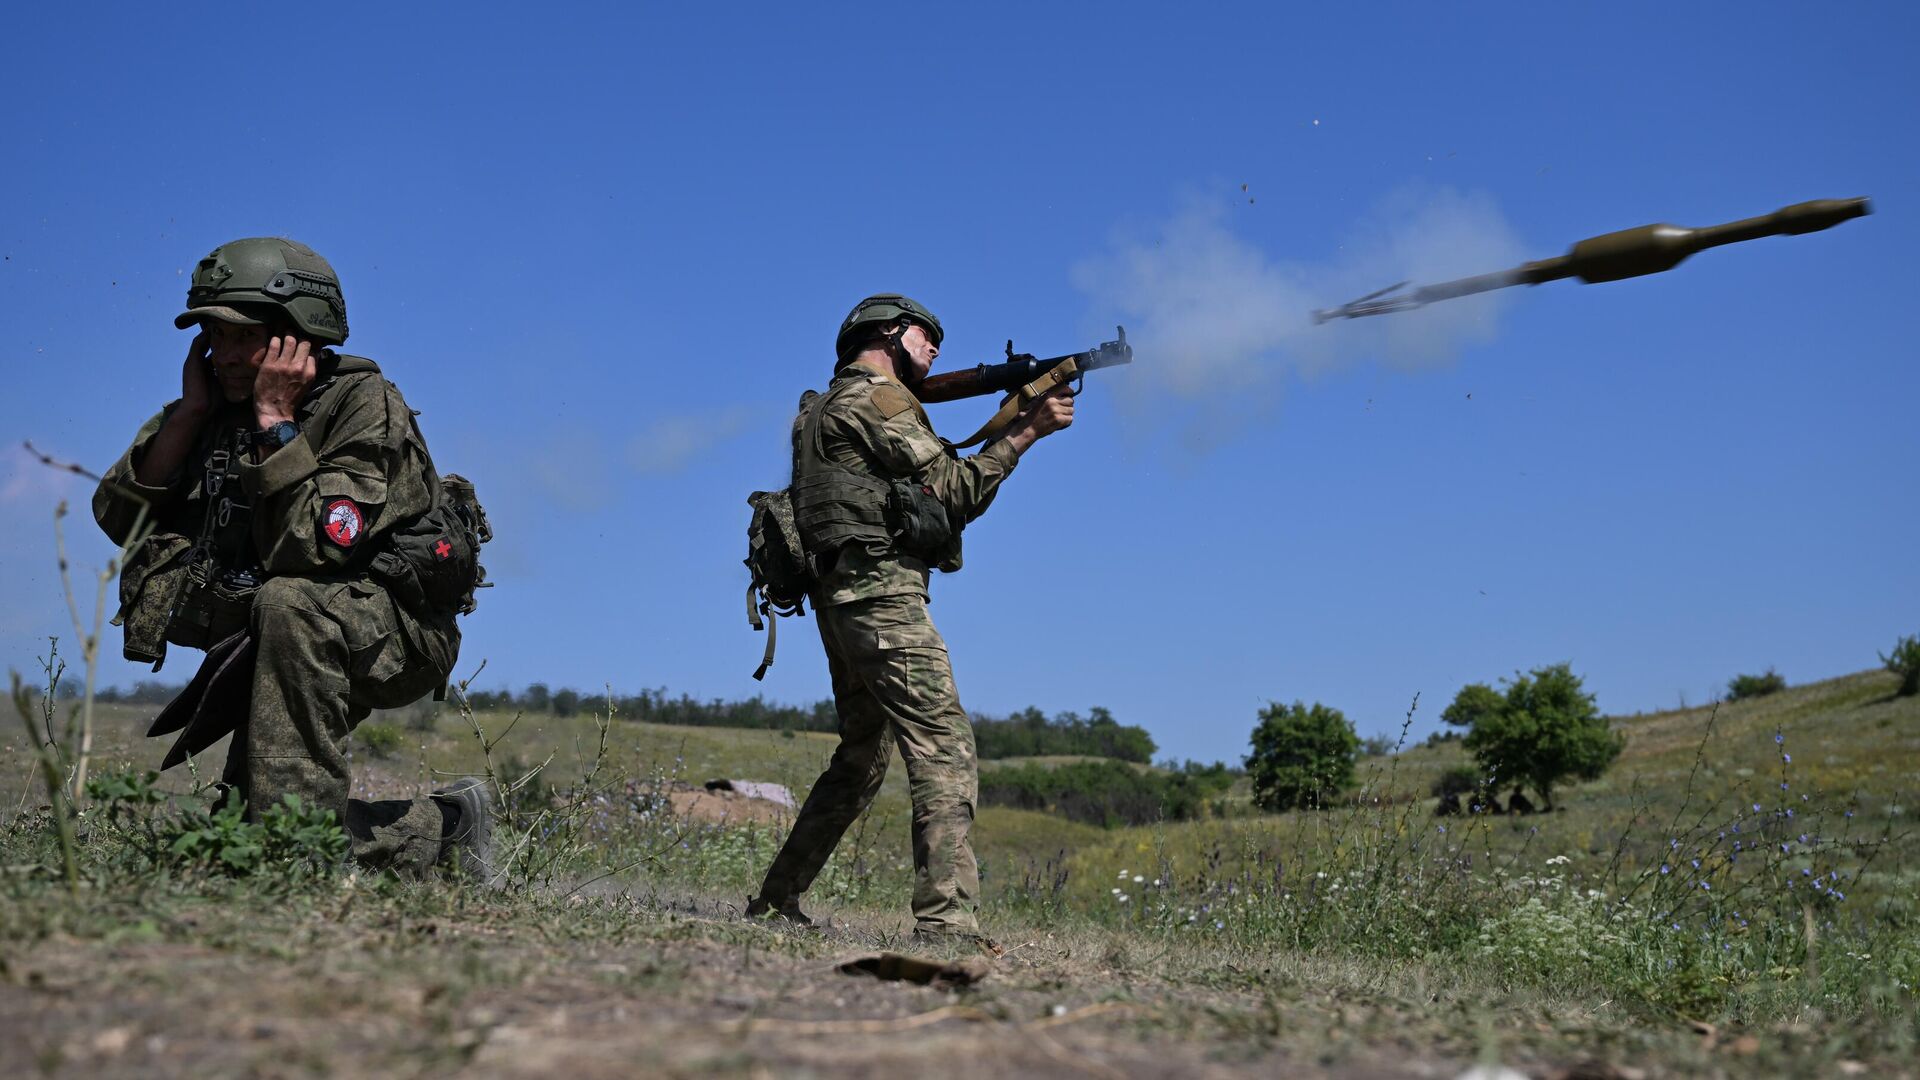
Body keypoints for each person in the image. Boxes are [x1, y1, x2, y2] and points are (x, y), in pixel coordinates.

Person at [92, 237, 490, 880]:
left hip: (389, 633)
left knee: (288, 600)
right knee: (234, 841)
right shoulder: (210, 410)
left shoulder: (361, 404)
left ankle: (296, 858)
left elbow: (313, 545)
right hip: (283, 638)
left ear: (296, 336)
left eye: (237, 336)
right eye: (210, 337)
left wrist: (276, 419)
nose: (219, 354)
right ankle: (443, 829)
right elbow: (118, 519)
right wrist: (191, 415)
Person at [747, 294, 1075, 944]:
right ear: (885, 334)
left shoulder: (817, 411)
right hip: (881, 595)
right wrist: (1025, 432)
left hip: (838, 598)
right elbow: (953, 493)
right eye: (926, 336)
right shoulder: (879, 400)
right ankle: (946, 922)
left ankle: (776, 899)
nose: (935, 349)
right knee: (943, 743)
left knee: (863, 757)